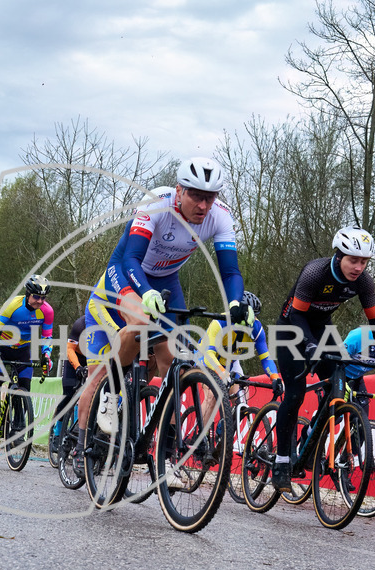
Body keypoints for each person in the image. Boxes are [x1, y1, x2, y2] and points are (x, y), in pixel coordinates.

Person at [74, 157, 250, 475]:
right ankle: (110, 393)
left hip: (167, 279)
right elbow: (131, 257)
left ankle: (166, 450)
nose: (203, 205)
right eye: (196, 196)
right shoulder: (157, 202)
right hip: (127, 272)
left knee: (174, 358)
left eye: (210, 197)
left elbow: (230, 272)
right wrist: (143, 292)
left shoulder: (220, 217)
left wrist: (235, 303)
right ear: (179, 191)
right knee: (141, 322)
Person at [272, 228, 375, 492]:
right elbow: (296, 315)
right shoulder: (315, 273)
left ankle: (310, 437)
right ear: (339, 255)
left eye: (364, 262)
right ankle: (281, 461)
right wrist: (309, 345)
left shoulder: (363, 281)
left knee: (339, 382)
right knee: (295, 394)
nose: (358, 267)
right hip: (290, 327)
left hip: (322, 330)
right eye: (353, 260)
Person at [0, 275, 54, 432]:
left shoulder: (47, 311)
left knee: (24, 387)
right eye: (36, 297)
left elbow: (47, 336)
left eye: (43, 298)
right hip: (2, 347)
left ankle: (17, 428)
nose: (40, 301)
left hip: (23, 349)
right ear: (28, 294)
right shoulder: (12, 305)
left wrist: (46, 355)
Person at [199, 290, 283, 397]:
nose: (253, 319)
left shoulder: (257, 329)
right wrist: (221, 372)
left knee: (242, 396)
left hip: (231, 362)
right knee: (212, 396)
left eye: (255, 316)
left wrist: (275, 377)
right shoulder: (220, 323)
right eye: (251, 315)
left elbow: (266, 358)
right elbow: (208, 355)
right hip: (206, 358)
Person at [50, 314, 87, 438]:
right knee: (68, 394)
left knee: (87, 395)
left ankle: (77, 429)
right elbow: (70, 349)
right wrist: (78, 367)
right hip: (75, 358)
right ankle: (57, 432)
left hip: (93, 358)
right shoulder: (81, 324)